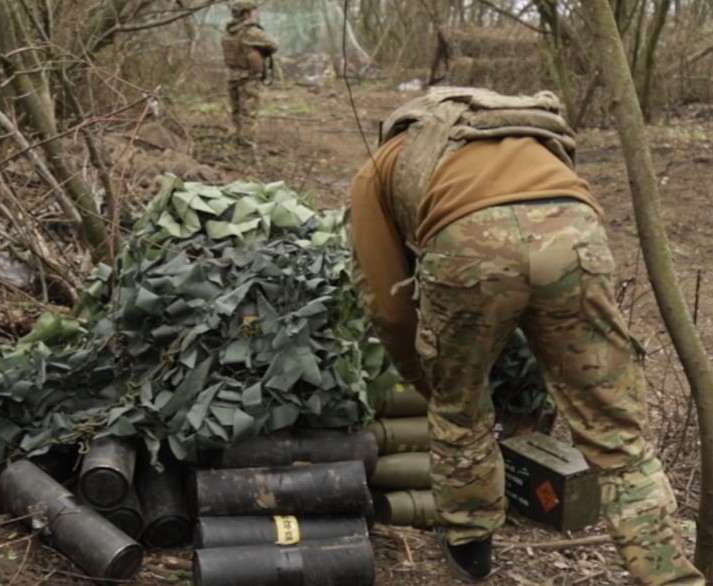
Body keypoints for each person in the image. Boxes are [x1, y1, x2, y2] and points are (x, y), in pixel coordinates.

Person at [348, 86, 704, 585]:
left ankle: (471, 555)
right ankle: (670, 577)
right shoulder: (525, 134)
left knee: (460, 409)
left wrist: (432, 379)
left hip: (469, 247)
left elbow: (386, 304)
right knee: (616, 432)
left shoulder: (384, 162)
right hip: (574, 233)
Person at [220, 0, 278, 148]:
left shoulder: (228, 32)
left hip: (232, 75)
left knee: (236, 110)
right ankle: (246, 144)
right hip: (248, 77)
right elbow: (273, 44)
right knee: (249, 113)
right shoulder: (250, 32)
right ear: (246, 14)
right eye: (250, 12)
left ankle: (234, 139)